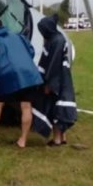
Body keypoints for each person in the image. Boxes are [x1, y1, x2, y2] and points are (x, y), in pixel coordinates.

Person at [0, 18, 44, 148]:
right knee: (26, 107)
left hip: (8, 76)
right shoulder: (18, 36)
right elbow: (31, 51)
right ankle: (23, 140)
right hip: (28, 75)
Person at [37, 14, 77, 146]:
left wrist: (49, 84)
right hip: (63, 80)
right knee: (60, 107)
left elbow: (53, 64)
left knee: (56, 108)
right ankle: (63, 137)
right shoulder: (57, 39)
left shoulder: (56, 41)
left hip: (57, 81)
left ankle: (57, 139)